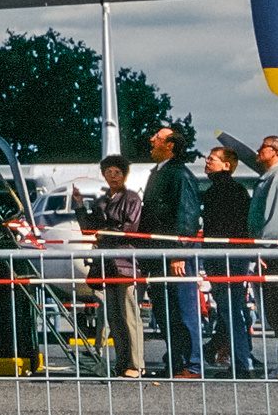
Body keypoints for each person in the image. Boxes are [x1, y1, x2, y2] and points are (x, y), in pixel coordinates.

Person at [138, 127, 203, 378]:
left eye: (158, 138)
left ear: (171, 146)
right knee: (166, 313)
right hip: (158, 256)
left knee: (184, 311)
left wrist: (179, 253)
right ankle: (176, 361)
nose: (152, 140)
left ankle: (192, 364)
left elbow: (186, 215)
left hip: (174, 257)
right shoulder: (159, 173)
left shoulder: (180, 174)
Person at [76, 155, 144, 377]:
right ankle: (122, 364)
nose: (113, 176)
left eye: (117, 172)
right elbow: (89, 228)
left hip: (126, 262)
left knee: (129, 315)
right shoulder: (100, 202)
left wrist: (104, 233)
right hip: (107, 263)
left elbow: (130, 228)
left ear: (125, 175)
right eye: (109, 172)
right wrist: (79, 207)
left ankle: (136, 364)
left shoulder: (132, 199)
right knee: (114, 317)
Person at [201, 146, 255, 377]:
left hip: (225, 259)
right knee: (232, 310)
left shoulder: (219, 192)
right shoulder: (235, 191)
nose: (206, 161)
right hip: (233, 258)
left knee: (231, 311)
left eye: (212, 159)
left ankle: (242, 363)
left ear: (226, 165)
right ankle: (237, 357)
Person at [247, 135, 278, 381]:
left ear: (276, 151)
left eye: (263, 146)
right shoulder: (271, 178)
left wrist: (264, 247)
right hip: (274, 252)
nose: (258, 150)